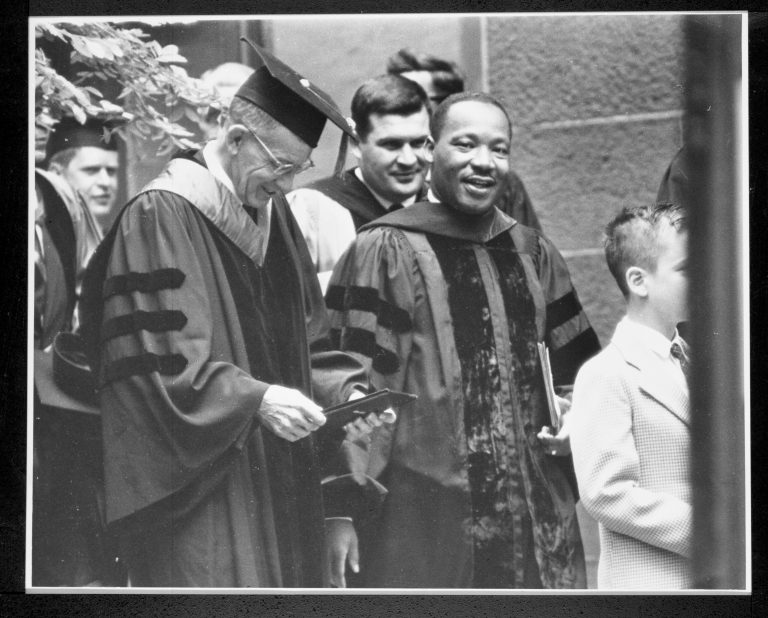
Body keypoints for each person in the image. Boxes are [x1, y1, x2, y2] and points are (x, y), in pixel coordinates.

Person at [78, 40, 392, 588]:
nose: (289, 184)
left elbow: (308, 339)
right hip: (207, 493)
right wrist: (256, 398)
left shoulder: (272, 214)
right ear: (238, 138)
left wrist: (346, 394)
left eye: (300, 169)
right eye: (281, 167)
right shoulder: (162, 213)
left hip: (283, 482)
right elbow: (158, 365)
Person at [326, 92, 601, 588]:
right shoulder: (383, 248)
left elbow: (579, 373)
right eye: (466, 144)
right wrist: (342, 508)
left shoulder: (533, 253)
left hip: (534, 518)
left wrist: (576, 416)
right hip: (424, 520)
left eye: (499, 149)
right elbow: (354, 382)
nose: (484, 162)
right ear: (432, 148)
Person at [569, 202, 692, 589]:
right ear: (639, 281)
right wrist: (711, 531)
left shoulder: (695, 361)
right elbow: (606, 492)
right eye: (687, 269)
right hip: (650, 584)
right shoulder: (607, 373)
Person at [288, 75, 430, 292]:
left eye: (419, 143)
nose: (408, 160)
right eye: (392, 145)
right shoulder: (312, 210)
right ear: (356, 143)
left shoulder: (438, 207)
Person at [386, 47, 542, 231]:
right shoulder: (389, 178)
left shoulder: (500, 184)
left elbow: (528, 249)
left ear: (448, 104)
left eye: (413, 100)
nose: (399, 112)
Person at [46, 116, 121, 234]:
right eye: (91, 170)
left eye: (111, 171)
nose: (105, 182)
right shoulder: (42, 244)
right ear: (56, 174)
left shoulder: (118, 245)